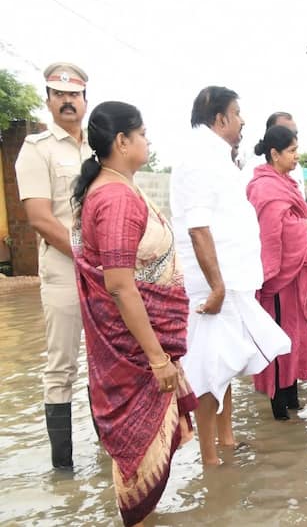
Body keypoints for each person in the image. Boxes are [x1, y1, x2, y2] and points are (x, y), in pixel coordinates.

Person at [70, 101, 198, 526]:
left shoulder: (117, 188)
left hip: (138, 344)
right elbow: (121, 285)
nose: (148, 140)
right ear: (122, 142)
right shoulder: (115, 199)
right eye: (142, 133)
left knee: (143, 455)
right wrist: (157, 358)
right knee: (136, 457)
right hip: (134, 353)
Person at [171, 86, 290, 464]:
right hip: (213, 287)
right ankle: (210, 459)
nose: (242, 121)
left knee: (225, 364)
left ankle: (226, 438)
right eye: (237, 113)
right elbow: (198, 226)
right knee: (209, 370)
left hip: (231, 282)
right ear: (220, 118)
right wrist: (218, 286)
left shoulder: (219, 157)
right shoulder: (198, 158)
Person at [14, 62, 91, 469]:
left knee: (105, 364)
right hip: (64, 270)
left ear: (84, 100)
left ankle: (113, 461)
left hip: (104, 274)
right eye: (58, 94)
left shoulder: (99, 147)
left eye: (73, 94)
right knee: (61, 366)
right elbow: (41, 219)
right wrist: (87, 257)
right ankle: (64, 470)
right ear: (47, 100)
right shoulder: (36, 149)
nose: (66, 100)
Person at [247, 125, 307, 420]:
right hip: (278, 278)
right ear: (275, 154)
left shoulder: (288, 184)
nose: (296, 156)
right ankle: (278, 409)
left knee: (295, 336)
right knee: (278, 339)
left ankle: (292, 398)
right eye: (292, 151)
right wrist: (305, 227)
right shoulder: (264, 187)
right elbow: (271, 233)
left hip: (296, 275)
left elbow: (295, 221)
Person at [242, 112, 306, 197]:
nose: (292, 137)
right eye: (286, 132)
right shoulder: (254, 168)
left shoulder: (296, 167)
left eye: (295, 133)